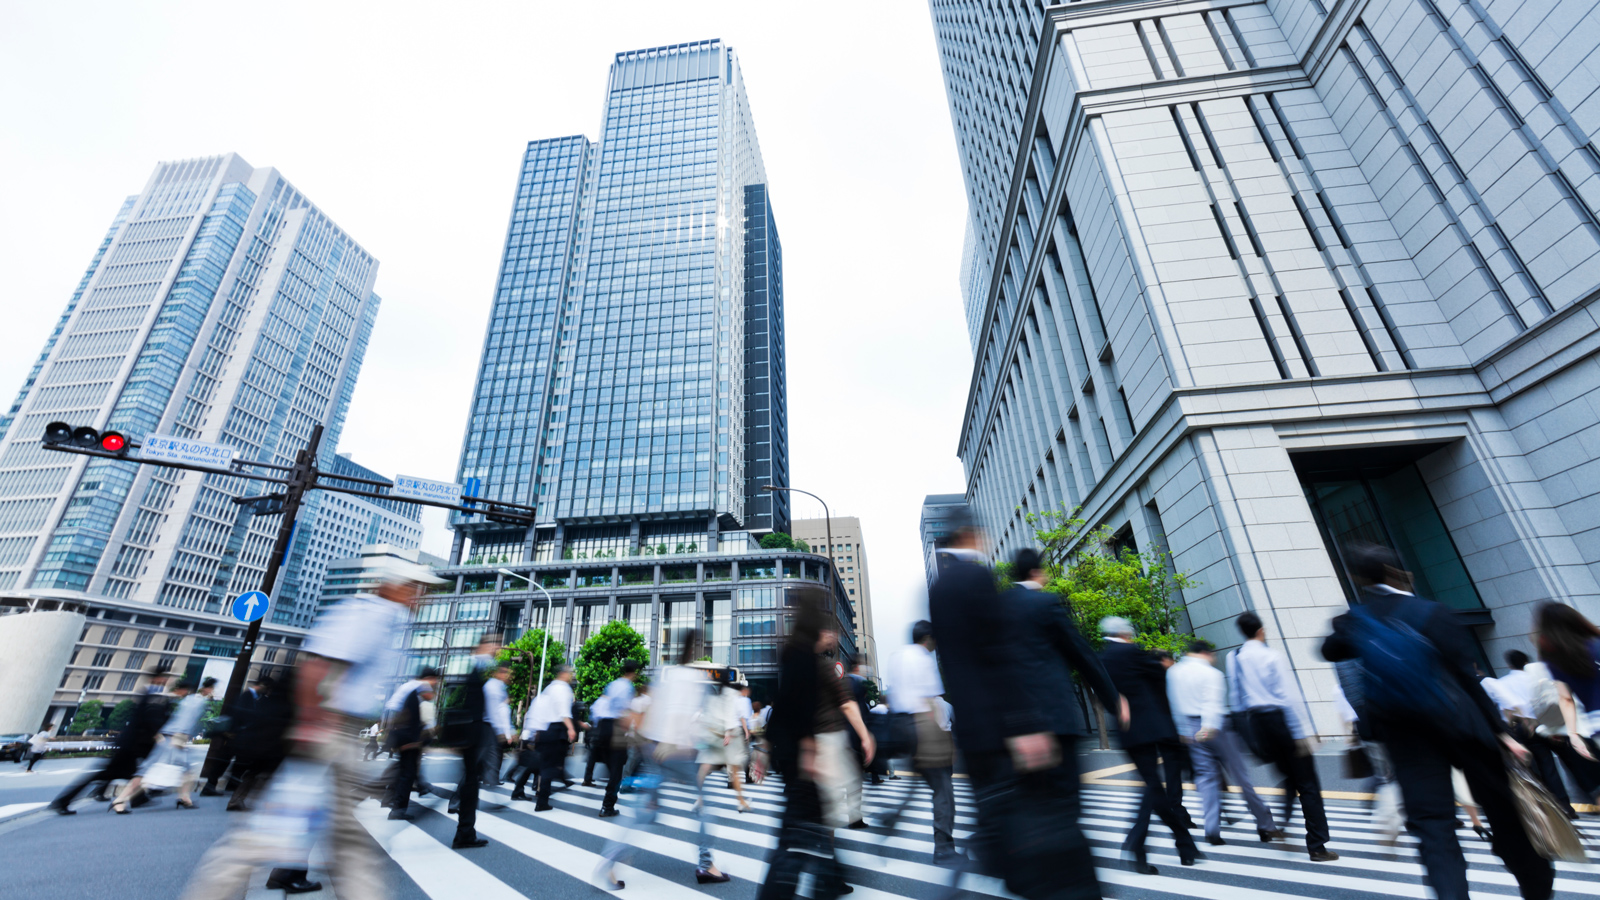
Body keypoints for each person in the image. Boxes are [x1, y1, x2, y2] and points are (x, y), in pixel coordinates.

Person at [179, 558, 441, 900]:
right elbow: (317, 668)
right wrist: (314, 728)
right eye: (416, 589)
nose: (421, 598)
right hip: (327, 733)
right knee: (273, 834)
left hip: (335, 733)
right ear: (395, 587)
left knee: (344, 838)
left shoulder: (388, 620)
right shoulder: (370, 615)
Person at [1324, 545, 1551, 900]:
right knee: (1505, 816)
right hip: (1465, 727)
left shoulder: (1356, 620)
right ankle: (1535, 887)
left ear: (1357, 578)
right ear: (1401, 573)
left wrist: (1348, 622)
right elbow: (1468, 678)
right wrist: (1502, 733)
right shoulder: (1432, 612)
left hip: (1406, 736)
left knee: (1434, 830)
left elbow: (1330, 651)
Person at [932, 531, 1122, 900]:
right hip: (1048, 723)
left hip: (1001, 732)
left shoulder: (993, 600)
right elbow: (1081, 654)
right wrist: (1113, 700)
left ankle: (1018, 863)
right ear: (1039, 573)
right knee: (1063, 814)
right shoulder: (1043, 602)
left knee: (1032, 813)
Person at [756, 588, 874, 900]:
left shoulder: (793, 652)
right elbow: (803, 708)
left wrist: (765, 748)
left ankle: (831, 881)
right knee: (800, 835)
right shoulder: (810, 660)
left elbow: (782, 706)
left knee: (808, 828)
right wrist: (812, 751)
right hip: (810, 757)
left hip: (796, 757)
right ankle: (826, 883)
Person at [596, 631, 729, 890]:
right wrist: (681, 746)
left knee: (643, 812)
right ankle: (706, 864)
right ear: (698, 649)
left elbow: (651, 710)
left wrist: (650, 745)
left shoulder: (666, 675)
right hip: (675, 751)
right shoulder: (693, 678)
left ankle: (609, 862)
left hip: (654, 748)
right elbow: (681, 716)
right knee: (705, 802)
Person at [1231, 610, 1338, 862]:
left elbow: (1236, 700)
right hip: (1281, 722)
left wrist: (1249, 736)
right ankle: (1317, 846)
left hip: (1259, 725)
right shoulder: (1271, 656)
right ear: (1261, 630)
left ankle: (1281, 827)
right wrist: (1303, 733)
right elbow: (1289, 697)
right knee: (1308, 785)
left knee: (1289, 778)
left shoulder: (1234, 657)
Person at [1099, 616, 1200, 873]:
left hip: (1128, 732)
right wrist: (1163, 663)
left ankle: (1180, 844)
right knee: (1153, 790)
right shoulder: (1130, 651)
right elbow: (1159, 674)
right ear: (1124, 632)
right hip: (1153, 728)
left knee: (1152, 788)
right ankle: (1150, 842)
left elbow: (1106, 691)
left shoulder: (1103, 657)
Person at [1167, 638, 1282, 845]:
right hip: (1215, 727)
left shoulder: (1174, 673)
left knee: (1206, 778)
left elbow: (1174, 703)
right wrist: (1208, 727)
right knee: (1241, 777)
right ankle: (1265, 825)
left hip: (1190, 728)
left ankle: (1212, 828)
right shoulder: (1212, 673)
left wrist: (1184, 730)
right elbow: (1212, 702)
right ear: (1206, 653)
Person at [879, 619, 958, 862]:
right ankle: (943, 847)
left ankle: (893, 817)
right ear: (929, 639)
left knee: (919, 784)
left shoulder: (898, 656)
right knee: (943, 788)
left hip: (901, 726)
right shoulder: (923, 657)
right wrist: (942, 735)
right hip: (923, 725)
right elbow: (931, 700)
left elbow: (891, 696)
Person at [50, 665, 172, 813]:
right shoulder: (152, 695)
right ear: (157, 678)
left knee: (128, 773)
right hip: (131, 745)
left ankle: (137, 799)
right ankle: (63, 801)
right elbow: (149, 719)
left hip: (133, 745)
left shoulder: (151, 694)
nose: (166, 680)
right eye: (164, 677)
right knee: (109, 774)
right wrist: (160, 733)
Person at [112, 676, 215, 812]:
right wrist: (180, 736)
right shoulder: (196, 702)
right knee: (147, 771)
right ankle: (120, 800)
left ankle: (185, 798)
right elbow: (185, 721)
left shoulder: (190, 700)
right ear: (208, 688)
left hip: (171, 738)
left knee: (186, 770)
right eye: (212, 688)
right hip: (173, 740)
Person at [447, 631, 503, 848]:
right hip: (473, 733)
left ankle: (465, 832)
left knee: (471, 782)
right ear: (483, 645)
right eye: (495, 643)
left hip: (472, 733)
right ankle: (464, 834)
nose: (497, 648)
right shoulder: (478, 667)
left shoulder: (478, 668)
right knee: (470, 783)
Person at [227, 672, 292, 812]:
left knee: (253, 773)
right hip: (273, 745)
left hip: (259, 743)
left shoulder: (266, 700)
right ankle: (263, 805)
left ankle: (237, 800)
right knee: (267, 774)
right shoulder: (288, 704)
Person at [383, 667, 440, 820]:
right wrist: (413, 740)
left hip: (405, 737)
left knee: (404, 772)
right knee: (406, 774)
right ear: (428, 678)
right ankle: (397, 809)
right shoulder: (417, 689)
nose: (435, 683)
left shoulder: (409, 688)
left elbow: (394, 707)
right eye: (434, 679)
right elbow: (415, 715)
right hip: (408, 738)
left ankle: (394, 802)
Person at [590, 659, 641, 817]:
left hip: (604, 727)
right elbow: (626, 712)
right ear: (634, 672)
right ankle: (608, 806)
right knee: (616, 770)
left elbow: (599, 705)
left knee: (612, 767)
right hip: (617, 728)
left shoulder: (612, 684)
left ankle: (609, 800)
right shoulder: (628, 688)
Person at [524, 664, 577, 811]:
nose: (571, 675)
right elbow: (563, 711)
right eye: (570, 673)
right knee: (550, 767)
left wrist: (533, 731)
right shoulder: (563, 689)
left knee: (545, 765)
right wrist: (571, 728)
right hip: (555, 729)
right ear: (563, 674)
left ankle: (540, 795)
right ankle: (542, 801)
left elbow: (537, 707)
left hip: (544, 730)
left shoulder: (549, 688)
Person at [699, 676, 752, 813]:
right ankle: (740, 801)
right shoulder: (732, 696)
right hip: (730, 737)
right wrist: (729, 732)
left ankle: (699, 799)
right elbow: (734, 715)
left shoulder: (714, 698)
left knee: (705, 768)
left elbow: (708, 718)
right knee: (734, 770)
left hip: (715, 736)